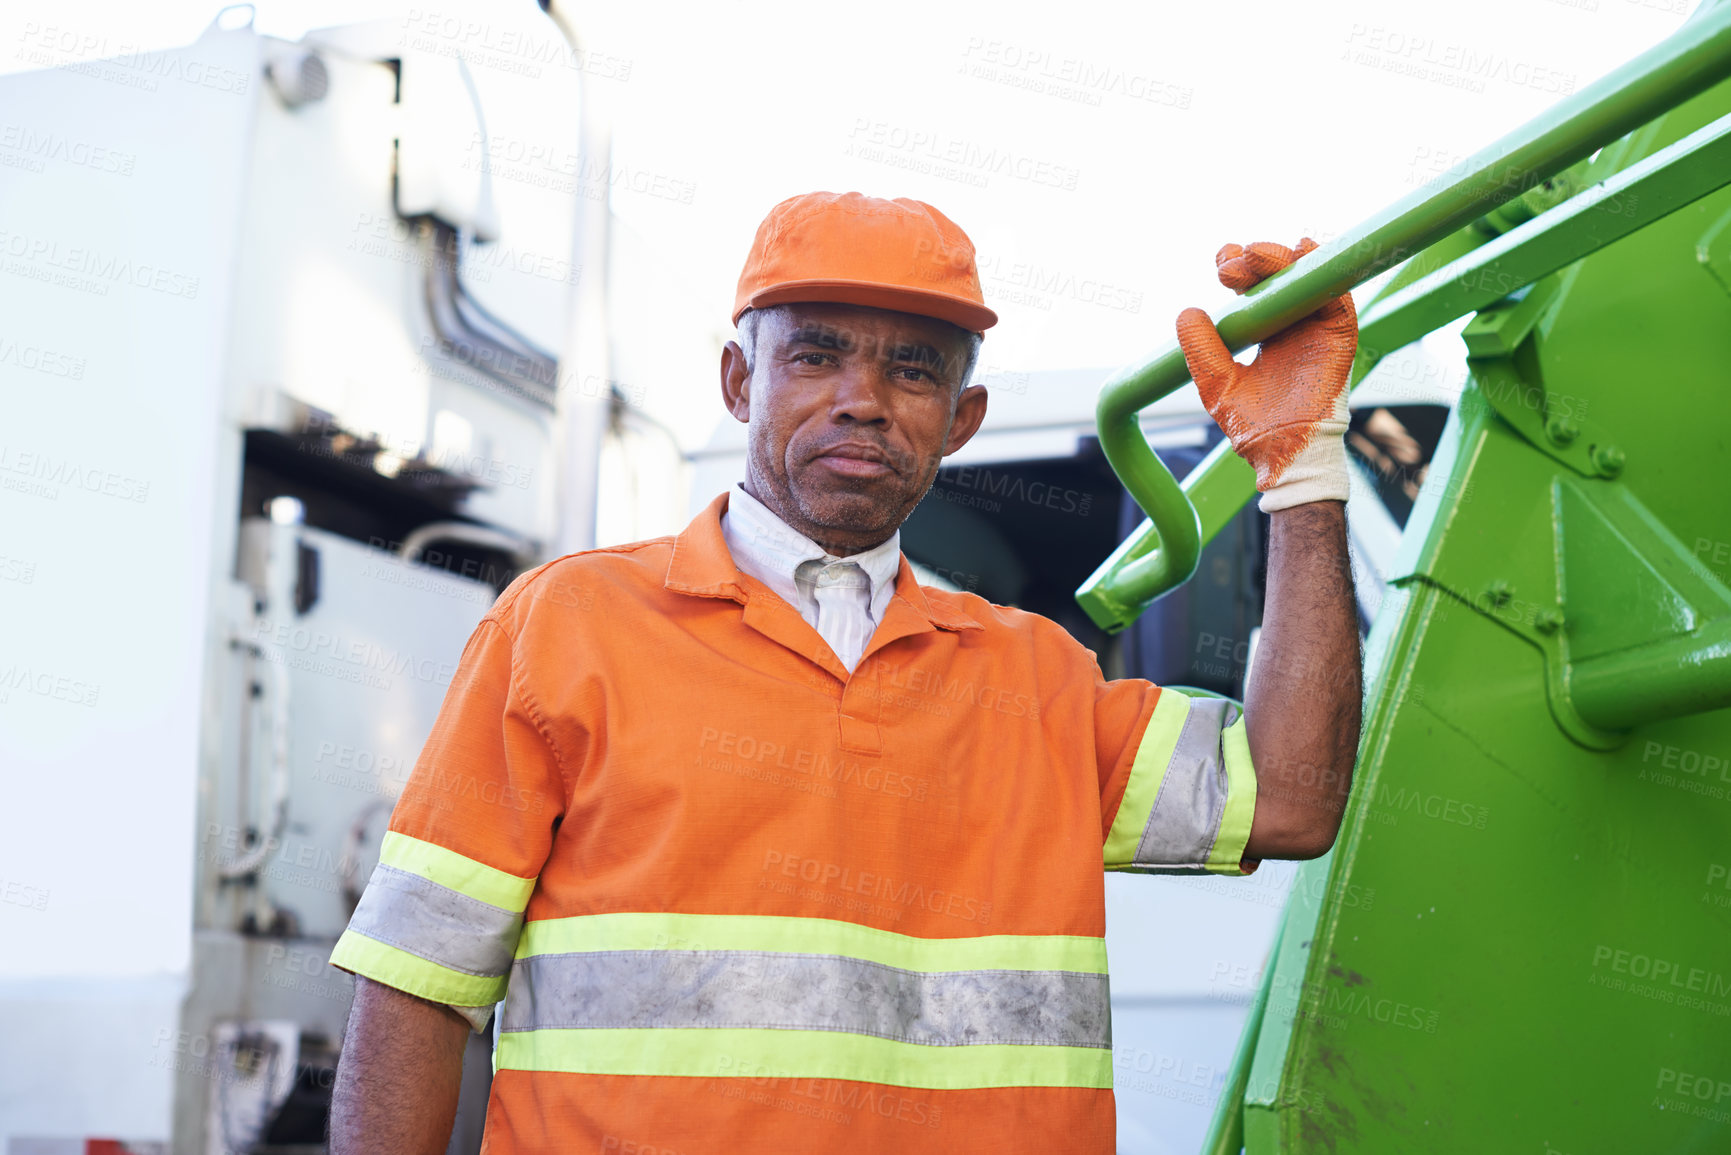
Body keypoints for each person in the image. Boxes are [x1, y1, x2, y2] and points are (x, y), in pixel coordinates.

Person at [326, 190, 1361, 1154]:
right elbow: (416, 988)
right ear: (741, 383)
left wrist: (1303, 468)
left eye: (913, 369)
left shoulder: (1037, 681)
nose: (862, 400)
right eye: (815, 357)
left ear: (962, 418)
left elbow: (1293, 802)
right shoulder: (564, 629)